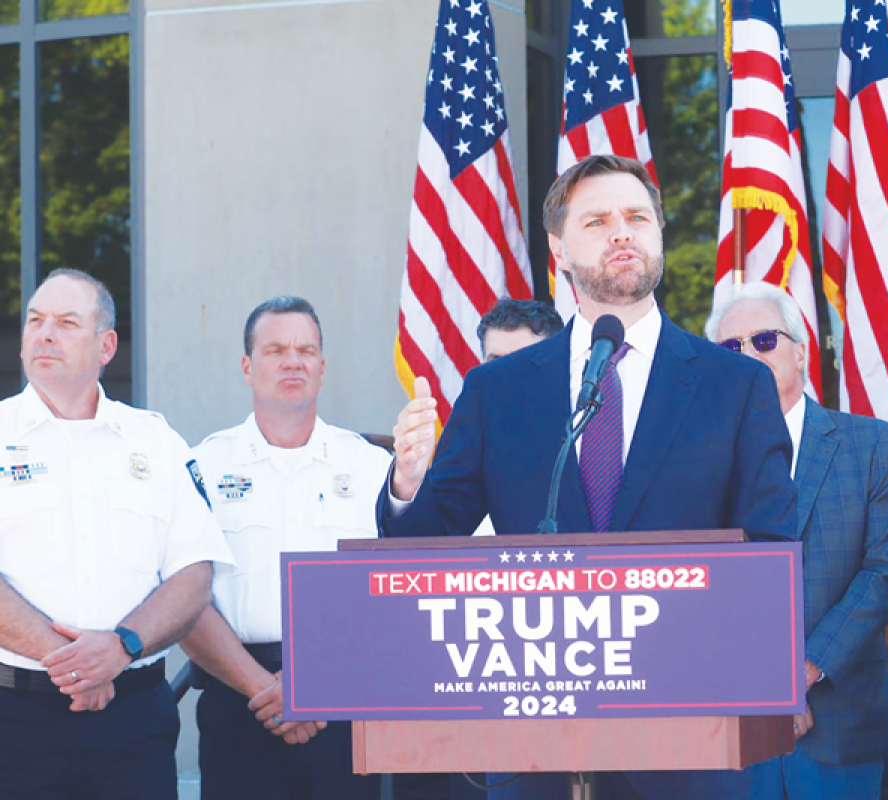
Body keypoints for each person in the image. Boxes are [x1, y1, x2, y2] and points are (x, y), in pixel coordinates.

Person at [379, 154, 798, 799]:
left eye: (636, 217)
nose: (622, 232)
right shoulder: (498, 390)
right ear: (558, 249)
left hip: (686, 747)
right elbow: (427, 547)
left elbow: (771, 552)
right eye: (598, 221)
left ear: (659, 231)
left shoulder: (735, 386)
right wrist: (408, 486)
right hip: (534, 749)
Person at [0, 269, 233, 799]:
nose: (44, 334)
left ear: (107, 345)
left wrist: (122, 647)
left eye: (66, 322)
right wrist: (80, 666)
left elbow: (194, 575)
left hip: (133, 723)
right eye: (35, 321)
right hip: (14, 721)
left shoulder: (157, 441)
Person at [706, 282, 888, 799]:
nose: (750, 354)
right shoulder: (697, 458)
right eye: (732, 348)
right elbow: (695, 575)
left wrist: (802, 672)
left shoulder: (871, 443)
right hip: (733, 722)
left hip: (839, 720)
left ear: (801, 350)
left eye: (764, 340)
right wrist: (765, 684)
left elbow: (885, 571)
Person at [182, 296, 393, 800]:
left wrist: (317, 685)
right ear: (247, 367)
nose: (293, 360)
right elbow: (183, 596)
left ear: (322, 367)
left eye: (306, 349)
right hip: (237, 692)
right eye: (275, 349)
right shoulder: (201, 468)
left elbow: (392, 590)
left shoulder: (368, 467)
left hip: (345, 698)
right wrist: (262, 687)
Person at [470, 298, 564, 538]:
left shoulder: (583, 442)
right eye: (497, 364)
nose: (508, 376)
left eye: (523, 361)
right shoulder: (467, 447)